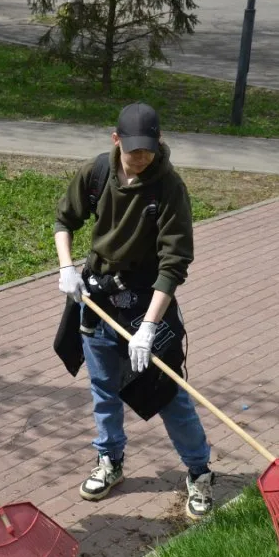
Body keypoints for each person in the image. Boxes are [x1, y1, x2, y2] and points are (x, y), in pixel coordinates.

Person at [52, 102, 215, 520]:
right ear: (116, 139)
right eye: (132, 150)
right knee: (103, 391)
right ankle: (111, 462)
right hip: (97, 303)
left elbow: (174, 262)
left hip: (145, 304)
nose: (141, 158)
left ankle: (199, 472)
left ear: (159, 144)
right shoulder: (98, 173)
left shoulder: (168, 186)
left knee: (170, 394)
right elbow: (63, 220)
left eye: (148, 150)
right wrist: (66, 266)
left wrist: (149, 326)